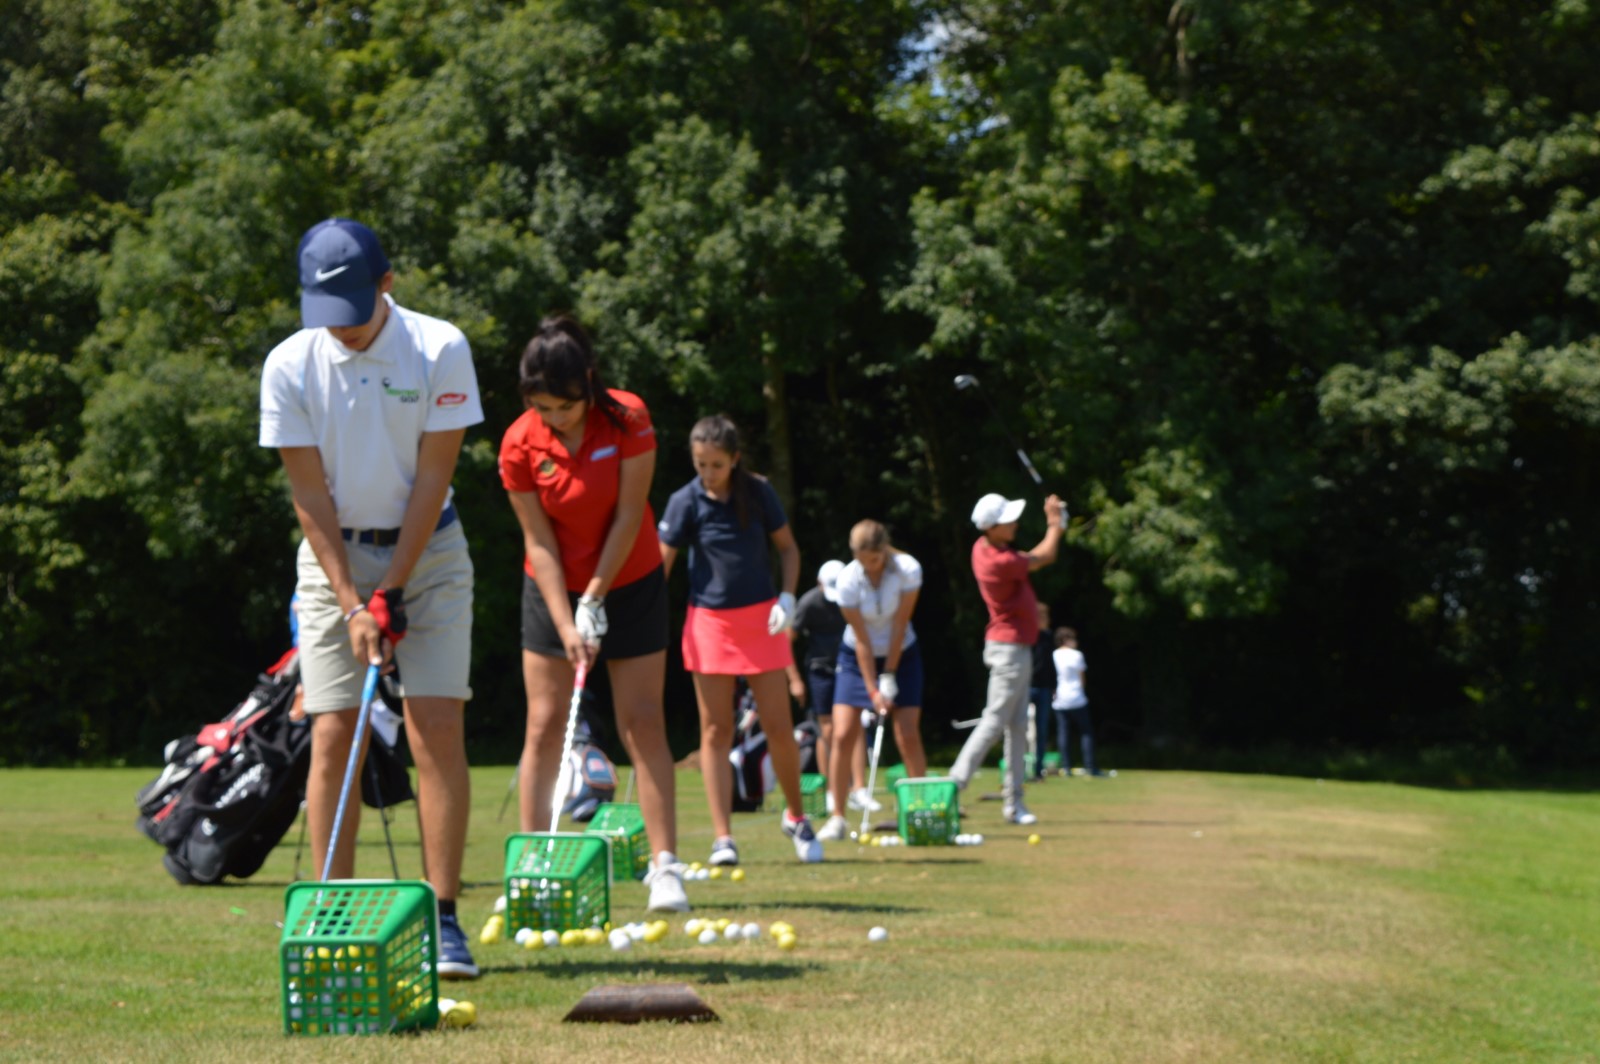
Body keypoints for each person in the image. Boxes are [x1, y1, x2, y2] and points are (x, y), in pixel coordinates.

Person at [259, 218, 481, 978]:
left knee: (434, 727)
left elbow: (432, 479)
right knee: (331, 733)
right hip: (333, 558)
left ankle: (444, 919)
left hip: (432, 546)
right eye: (327, 310)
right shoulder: (289, 364)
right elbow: (306, 491)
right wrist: (355, 602)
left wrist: (390, 591)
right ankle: (332, 916)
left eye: (355, 306)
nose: (341, 328)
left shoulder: (439, 347)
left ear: (387, 283)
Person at [498, 315, 687, 913]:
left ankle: (664, 868)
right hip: (552, 589)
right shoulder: (518, 443)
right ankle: (532, 867)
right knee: (545, 724)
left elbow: (630, 514)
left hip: (629, 582)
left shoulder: (628, 416)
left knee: (641, 721)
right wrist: (566, 621)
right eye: (542, 407)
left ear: (588, 385)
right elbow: (539, 542)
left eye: (564, 407)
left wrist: (596, 598)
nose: (554, 419)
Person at [658, 414, 822, 864]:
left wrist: (787, 597)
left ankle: (796, 816)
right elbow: (662, 565)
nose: (708, 474)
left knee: (778, 727)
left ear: (735, 459)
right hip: (708, 623)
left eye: (716, 464)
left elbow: (788, 548)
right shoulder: (683, 501)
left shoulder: (759, 492)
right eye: (700, 464)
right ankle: (722, 838)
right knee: (716, 730)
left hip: (762, 620)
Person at [949, 491, 1067, 826]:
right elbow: (1045, 556)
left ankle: (1014, 804)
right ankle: (953, 786)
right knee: (995, 721)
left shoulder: (984, 548)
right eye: (1007, 520)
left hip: (1015, 649)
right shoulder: (1001, 561)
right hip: (1010, 650)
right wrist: (1055, 524)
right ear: (991, 527)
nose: (1014, 523)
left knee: (1016, 727)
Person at [816, 521, 927, 842]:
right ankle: (837, 817)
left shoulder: (908, 570)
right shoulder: (848, 579)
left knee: (906, 732)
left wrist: (889, 675)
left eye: (874, 560)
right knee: (842, 733)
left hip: (902, 651)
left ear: (884, 550)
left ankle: (919, 809)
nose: (868, 567)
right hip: (855, 657)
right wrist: (873, 689)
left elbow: (899, 625)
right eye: (862, 560)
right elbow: (862, 639)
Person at [788, 560, 870, 811]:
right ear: (819, 584)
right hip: (820, 669)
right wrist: (795, 680)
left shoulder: (854, 597)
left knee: (855, 726)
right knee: (828, 729)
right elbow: (785, 641)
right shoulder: (809, 602)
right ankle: (832, 791)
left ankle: (859, 788)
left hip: (850, 667)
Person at [1051, 626, 1105, 777]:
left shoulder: (1054, 655)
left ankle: (1066, 767)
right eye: (1073, 638)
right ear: (1066, 640)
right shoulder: (1076, 655)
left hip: (1060, 698)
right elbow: (1082, 678)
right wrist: (1080, 690)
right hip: (1077, 698)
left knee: (1063, 733)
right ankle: (1090, 766)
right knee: (1086, 732)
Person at [1029, 602, 1058, 780]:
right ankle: (1016, 769)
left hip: (1045, 688)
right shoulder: (1028, 636)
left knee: (1042, 731)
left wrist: (1054, 685)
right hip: (1027, 686)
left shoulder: (1049, 637)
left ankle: (1038, 769)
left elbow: (1050, 664)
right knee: (1019, 728)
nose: (1044, 620)